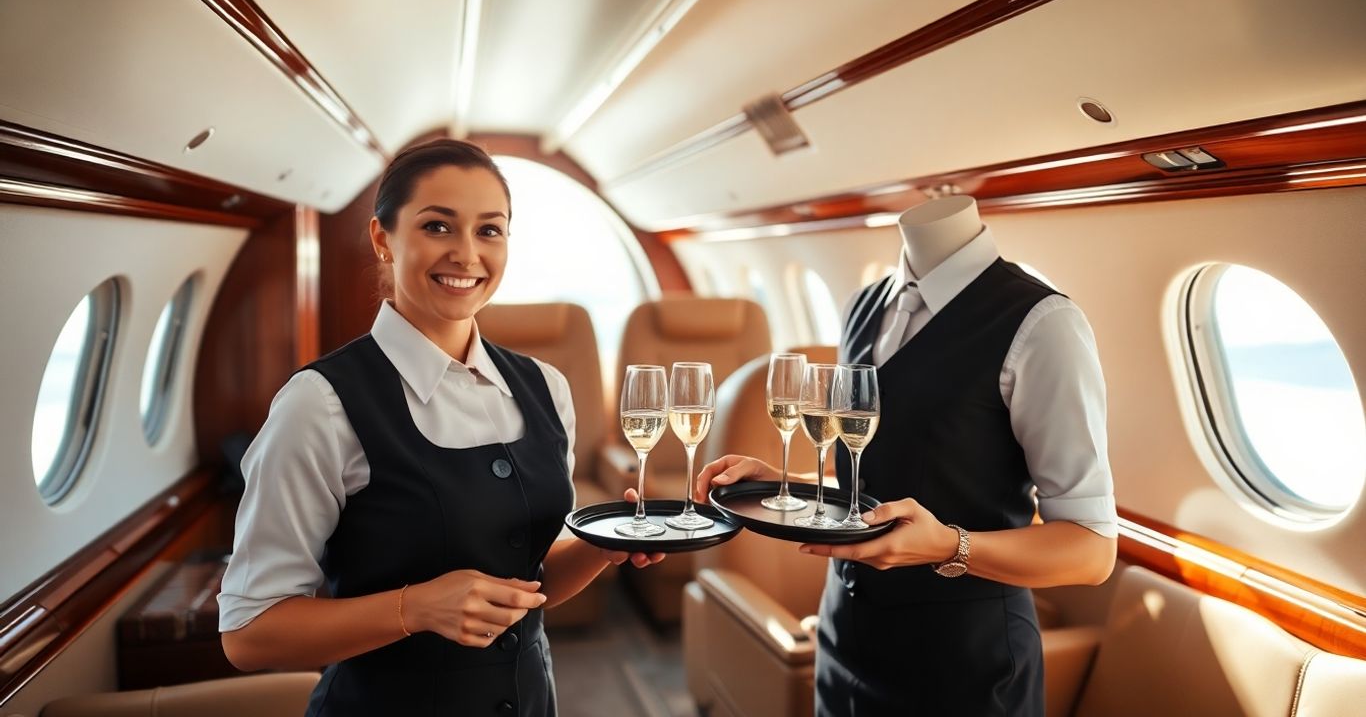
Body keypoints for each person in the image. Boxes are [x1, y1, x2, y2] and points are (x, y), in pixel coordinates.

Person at [218, 139, 662, 716]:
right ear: (383, 239)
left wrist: (608, 545)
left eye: (489, 230)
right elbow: (248, 633)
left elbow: (529, 583)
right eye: (437, 226)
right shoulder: (320, 405)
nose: (466, 254)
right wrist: (416, 608)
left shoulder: (547, 388)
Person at [697, 195, 1117, 716]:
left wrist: (948, 546)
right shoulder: (862, 306)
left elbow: (1093, 551)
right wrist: (785, 482)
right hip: (845, 637)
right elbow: (876, 474)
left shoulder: (1043, 324)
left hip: (964, 667)